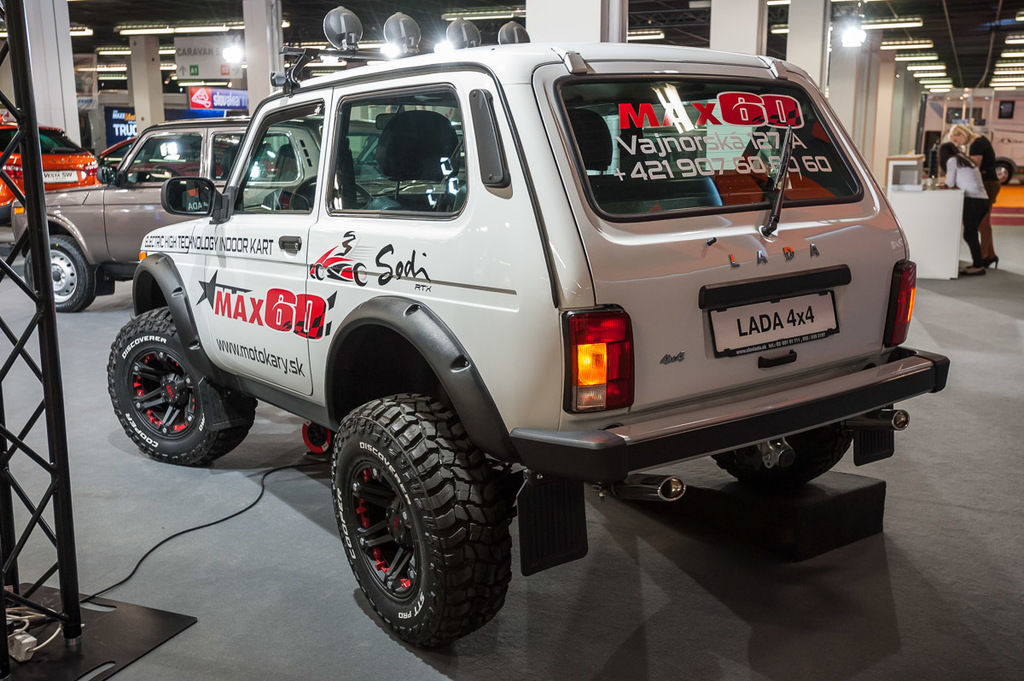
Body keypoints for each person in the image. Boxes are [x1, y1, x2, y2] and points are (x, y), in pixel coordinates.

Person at [948, 124, 999, 267]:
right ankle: (990, 254)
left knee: (983, 222)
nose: (957, 144)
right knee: (984, 222)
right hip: (990, 182)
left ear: (961, 134)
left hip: (987, 183)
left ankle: (984, 256)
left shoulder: (977, 145)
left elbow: (974, 166)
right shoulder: (980, 141)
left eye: (956, 140)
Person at [939, 141, 988, 276]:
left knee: (970, 234)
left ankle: (978, 266)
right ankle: (978, 263)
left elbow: (950, 183)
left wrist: (944, 185)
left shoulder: (952, 161)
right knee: (971, 233)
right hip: (982, 199)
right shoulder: (965, 160)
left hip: (973, 200)